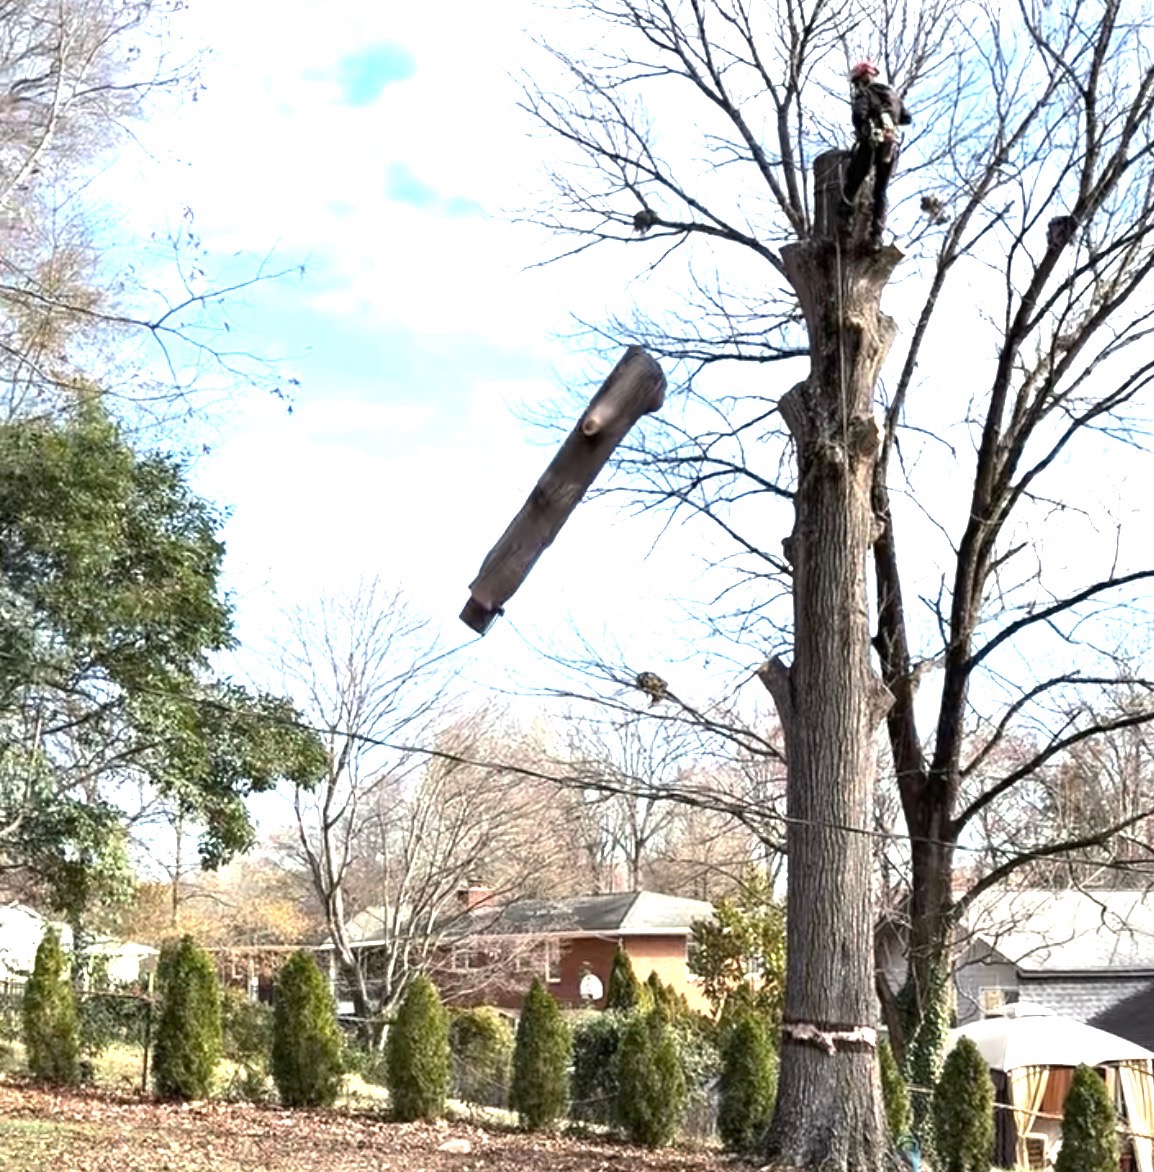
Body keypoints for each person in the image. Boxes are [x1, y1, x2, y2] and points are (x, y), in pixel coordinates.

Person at [838, 60, 912, 248]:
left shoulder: (865, 93)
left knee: (852, 183)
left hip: (870, 144)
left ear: (862, 78)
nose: (856, 85)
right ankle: (876, 236)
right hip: (891, 146)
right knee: (880, 191)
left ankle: (845, 229)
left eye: (856, 82)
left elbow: (858, 115)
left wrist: (863, 128)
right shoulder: (892, 95)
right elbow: (907, 118)